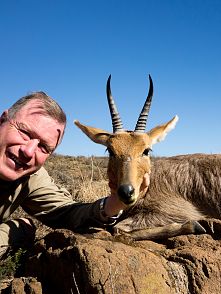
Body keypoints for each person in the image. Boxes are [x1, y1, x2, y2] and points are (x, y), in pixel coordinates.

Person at [0, 91, 126, 258]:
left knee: (24, 228)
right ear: (3, 119)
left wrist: (113, 204)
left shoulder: (31, 176)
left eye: (43, 147)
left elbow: (67, 213)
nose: (28, 151)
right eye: (25, 133)